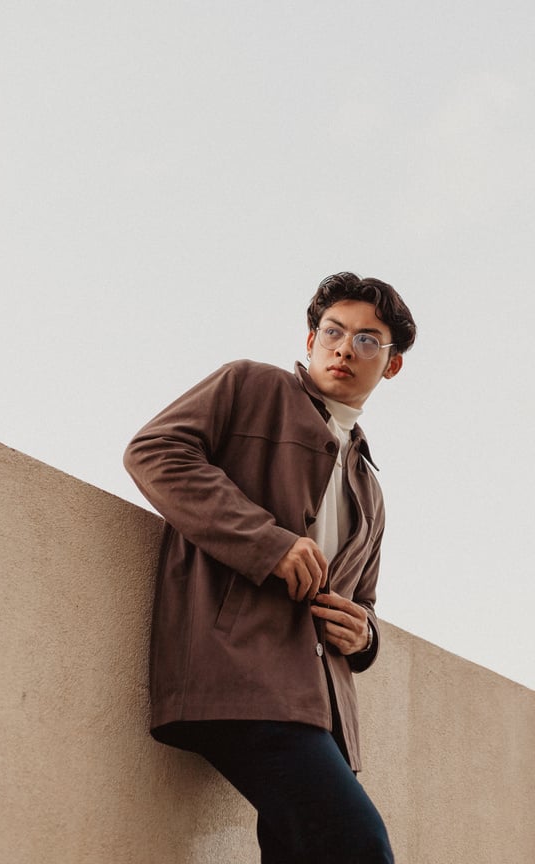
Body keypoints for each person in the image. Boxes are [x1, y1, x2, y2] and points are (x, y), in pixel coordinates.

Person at [124, 271, 416, 864]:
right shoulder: (250, 385)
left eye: (367, 340)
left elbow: (365, 604)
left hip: (319, 708)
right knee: (358, 844)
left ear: (390, 365)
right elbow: (154, 451)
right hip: (241, 675)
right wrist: (268, 542)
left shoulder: (370, 487)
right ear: (310, 339)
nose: (344, 348)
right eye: (333, 331)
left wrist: (364, 634)